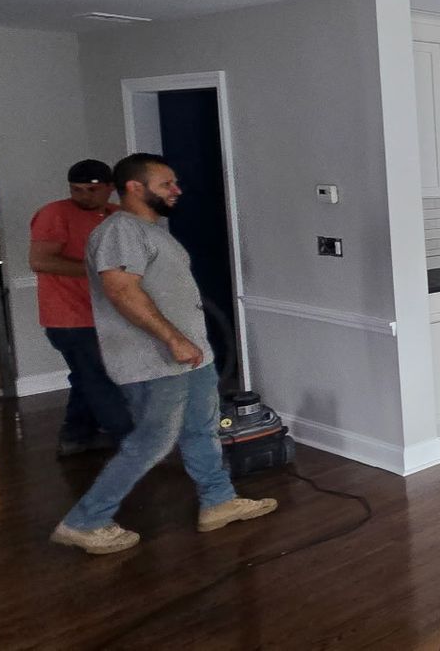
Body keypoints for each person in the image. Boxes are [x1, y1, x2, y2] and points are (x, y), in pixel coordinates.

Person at [50, 153, 276, 555]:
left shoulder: (152, 230)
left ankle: (218, 501)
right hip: (153, 359)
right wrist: (173, 339)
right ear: (135, 188)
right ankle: (86, 521)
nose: (177, 190)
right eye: (166, 184)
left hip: (191, 355)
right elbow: (121, 290)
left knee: (201, 429)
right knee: (152, 441)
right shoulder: (121, 231)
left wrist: (190, 345)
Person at [29, 159, 133, 457]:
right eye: (76, 189)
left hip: (104, 313)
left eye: (92, 189)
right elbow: (40, 261)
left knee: (85, 376)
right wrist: (101, 271)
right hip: (69, 318)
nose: (83, 196)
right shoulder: (54, 214)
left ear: (110, 189)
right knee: (101, 376)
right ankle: (128, 441)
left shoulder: (116, 215)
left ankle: (76, 436)